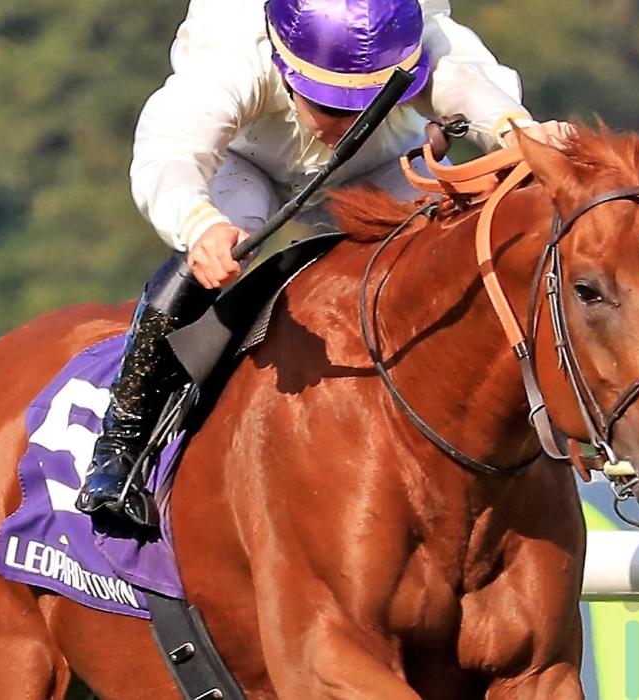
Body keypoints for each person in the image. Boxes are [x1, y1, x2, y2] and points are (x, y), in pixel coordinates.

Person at [76, 0, 552, 527]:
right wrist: (200, 224)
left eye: (368, 103)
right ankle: (122, 445)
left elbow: (475, 90)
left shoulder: (424, 42)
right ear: (284, 67)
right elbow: (171, 152)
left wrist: (520, 132)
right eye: (331, 106)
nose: (349, 122)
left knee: (447, 250)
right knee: (221, 250)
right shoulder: (236, 56)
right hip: (246, 162)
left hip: (379, 166)